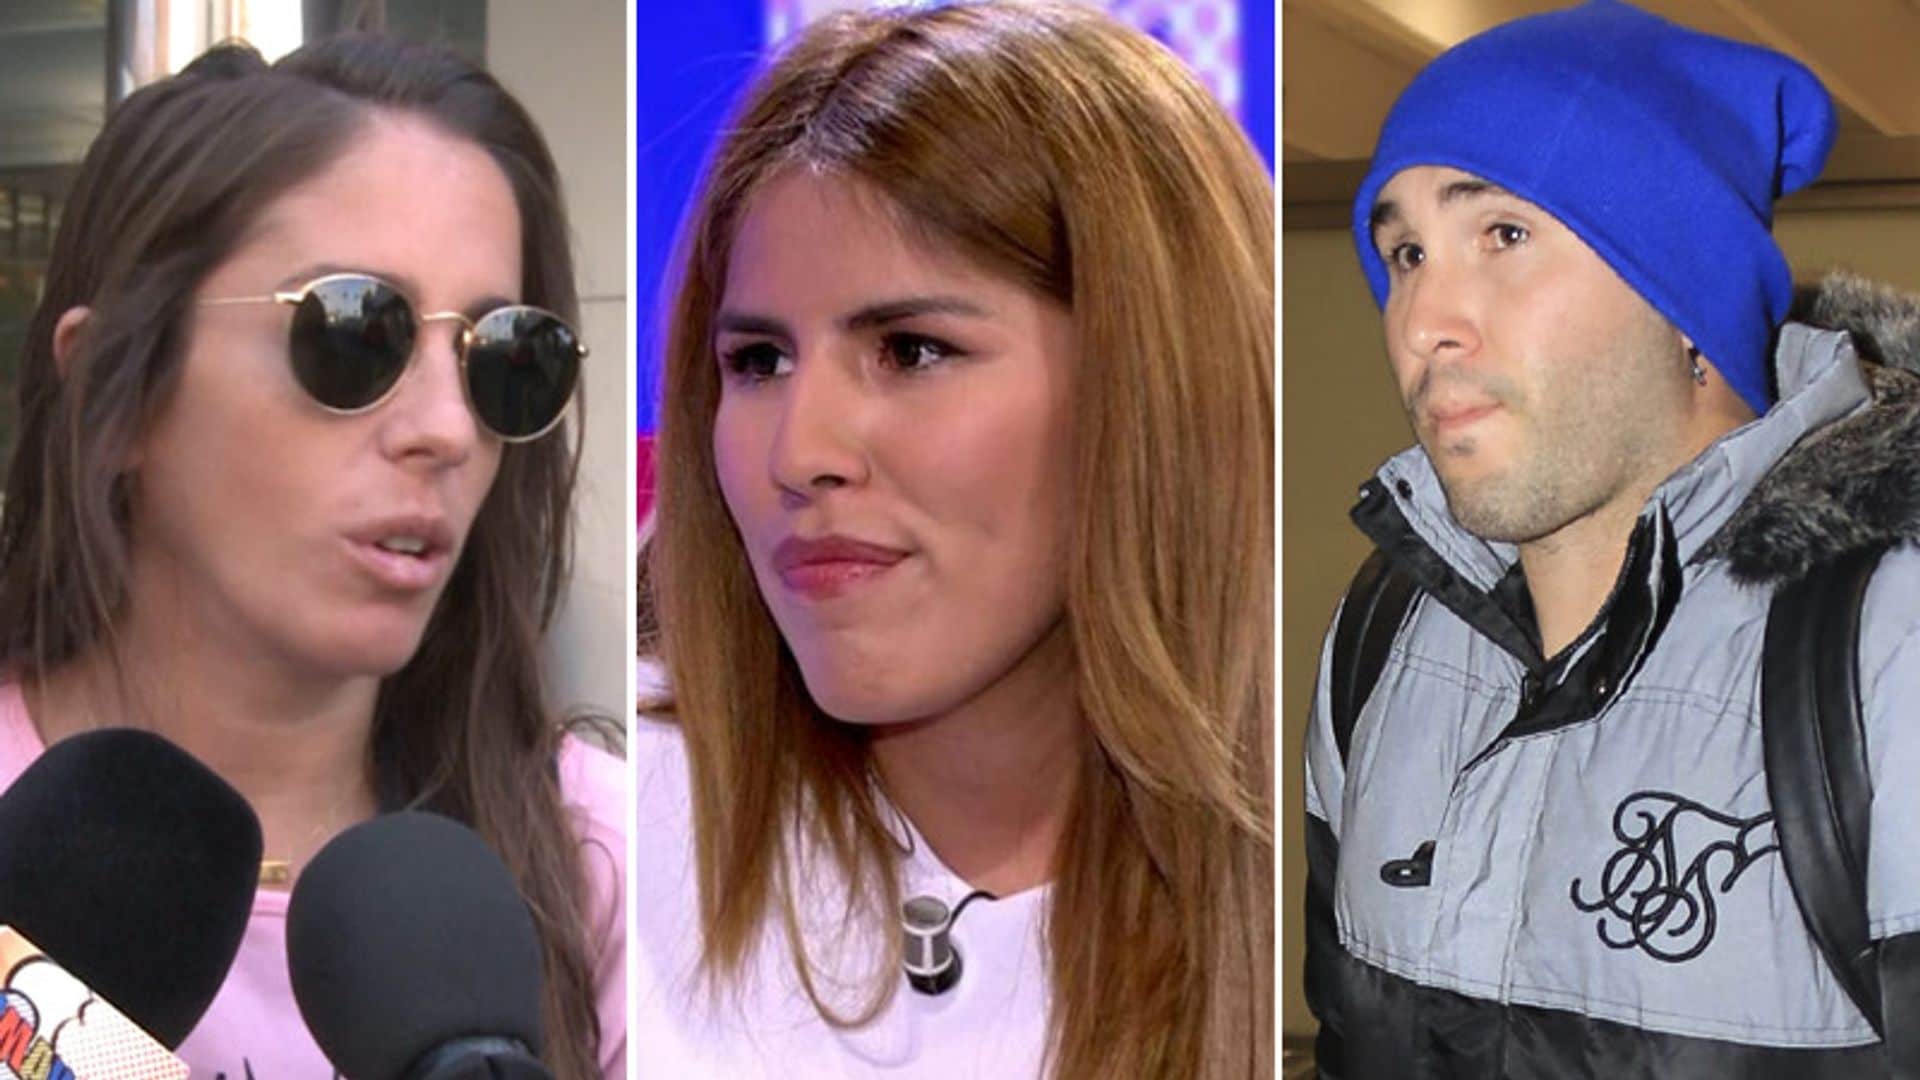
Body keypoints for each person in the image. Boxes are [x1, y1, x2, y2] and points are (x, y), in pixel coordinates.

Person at [634, 2, 1273, 1077]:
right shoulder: (612, 830)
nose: (801, 451)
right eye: (758, 363)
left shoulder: (1328, 865)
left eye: (912, 350)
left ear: (1153, 385)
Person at [1303, 1, 1920, 1075]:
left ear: (1683, 292)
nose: (1421, 321)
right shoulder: (1383, 633)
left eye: (1503, 235)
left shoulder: (1889, 643)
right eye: (1404, 253)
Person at [0, 36, 625, 1079]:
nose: (446, 430)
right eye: (355, 333)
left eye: (506, 358)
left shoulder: (604, 858)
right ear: (115, 392)